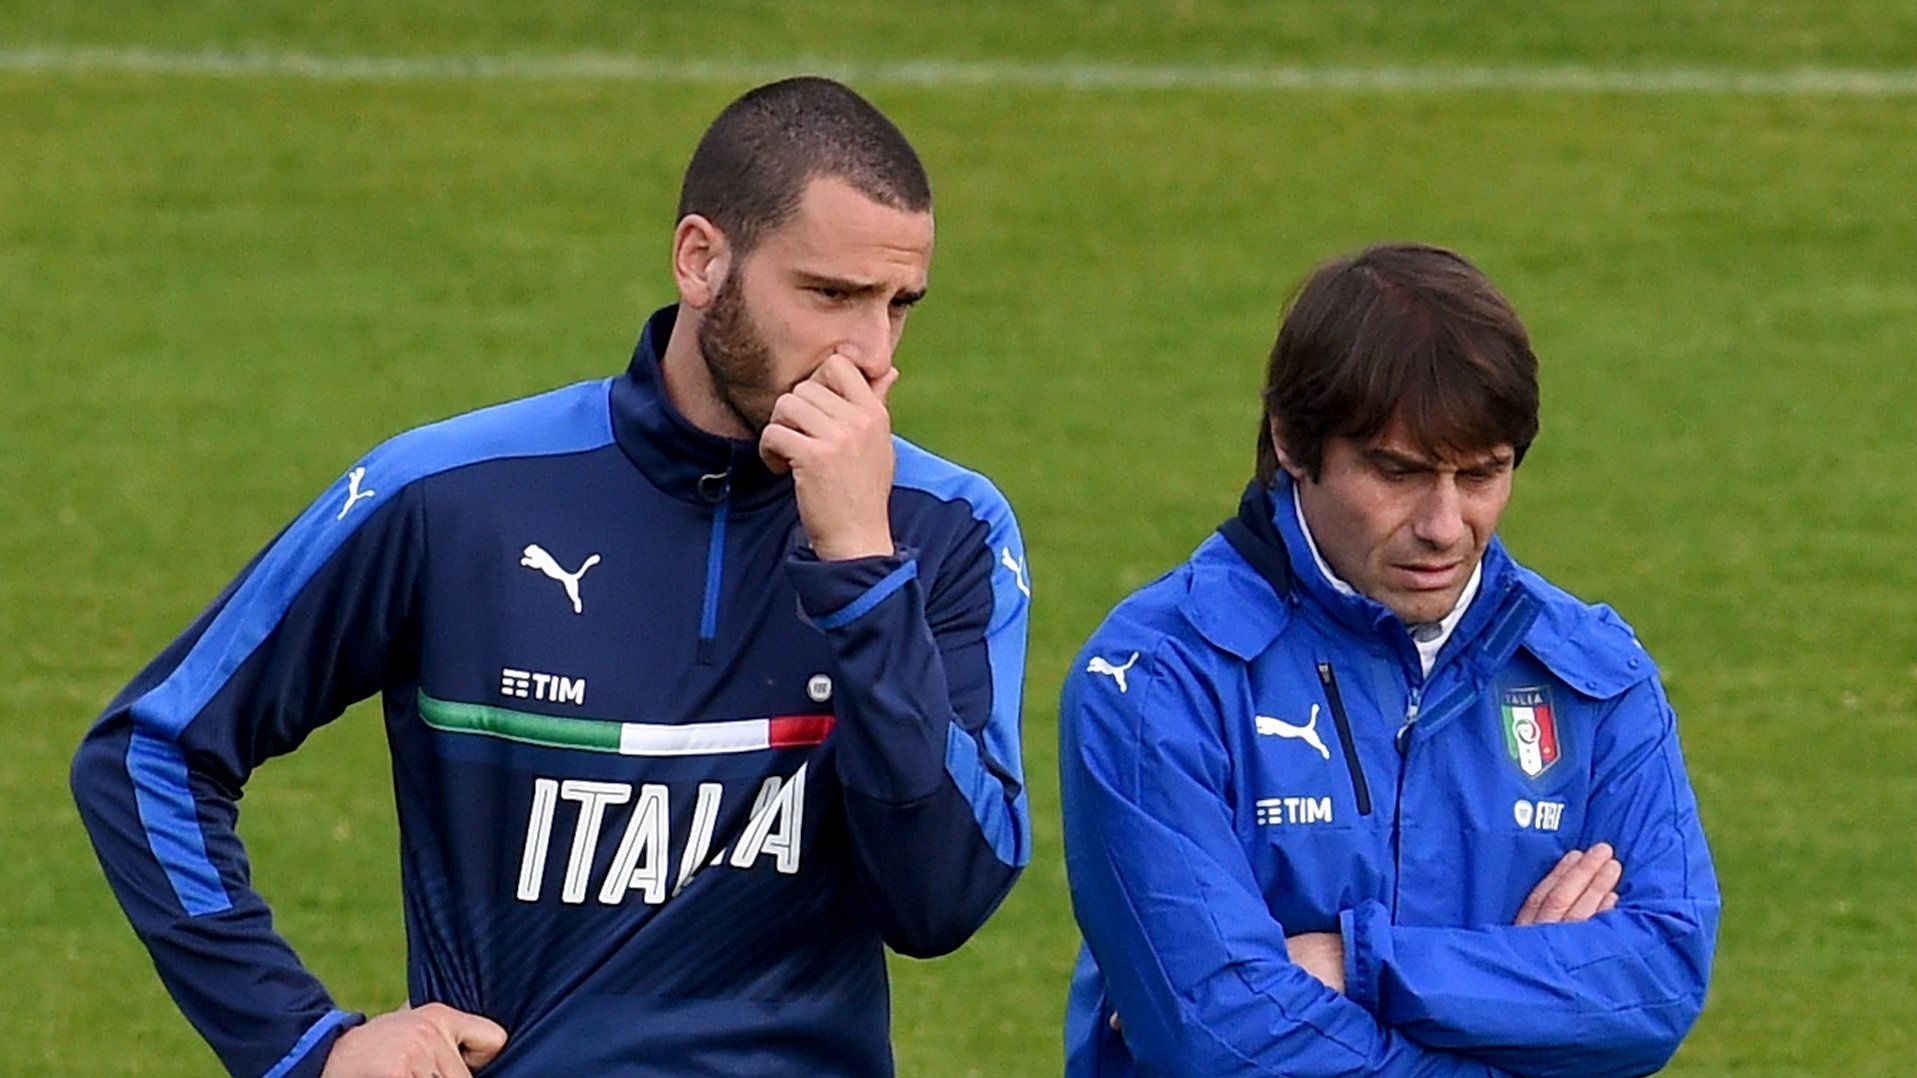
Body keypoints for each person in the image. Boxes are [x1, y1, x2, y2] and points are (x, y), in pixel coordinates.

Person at [72, 76, 1031, 1078]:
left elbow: (941, 901)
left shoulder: (943, 529)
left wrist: (863, 569)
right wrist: (305, 1043)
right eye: (831, 296)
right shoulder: (454, 498)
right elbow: (152, 752)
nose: (872, 356)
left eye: (899, 306)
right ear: (702, 261)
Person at [1059, 243, 1718, 1077]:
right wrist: (1517, 1005)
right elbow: (1213, 1032)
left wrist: (1358, 963)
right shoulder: (1158, 677)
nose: (1444, 526)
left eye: (1482, 475)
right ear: (1292, 443)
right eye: (1398, 473)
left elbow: (1654, 982)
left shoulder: (1590, 675)